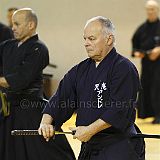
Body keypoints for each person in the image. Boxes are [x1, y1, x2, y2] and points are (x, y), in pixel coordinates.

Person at [39, 16, 145, 160]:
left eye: (92, 39)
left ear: (109, 39)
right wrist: (46, 122)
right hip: (90, 146)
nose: (86, 44)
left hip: (118, 145)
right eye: (85, 39)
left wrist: (90, 130)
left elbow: (119, 109)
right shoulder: (80, 70)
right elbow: (61, 97)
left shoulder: (123, 68)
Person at [0, 8, 75, 160]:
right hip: (9, 110)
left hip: (31, 108)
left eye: (17, 24)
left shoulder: (39, 49)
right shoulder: (7, 46)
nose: (12, 27)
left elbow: (20, 79)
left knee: (44, 151)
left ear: (31, 25)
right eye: (12, 23)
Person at [131, 0, 160, 124]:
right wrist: (137, 53)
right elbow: (135, 45)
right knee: (147, 87)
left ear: (157, 10)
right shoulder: (142, 28)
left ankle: (159, 115)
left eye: (152, 9)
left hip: (159, 65)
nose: (150, 11)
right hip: (147, 64)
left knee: (157, 88)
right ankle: (149, 113)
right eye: (148, 9)